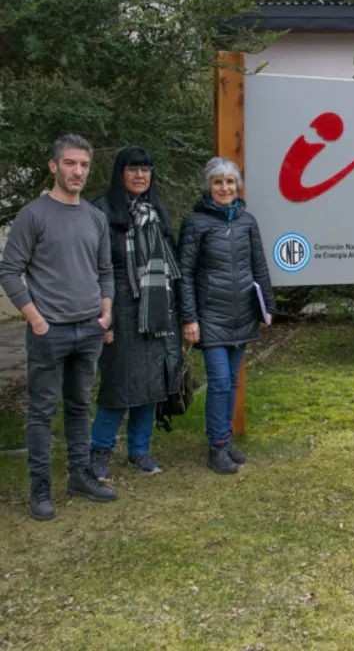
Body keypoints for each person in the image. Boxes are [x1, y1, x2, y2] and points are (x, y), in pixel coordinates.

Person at [0, 134, 118, 520]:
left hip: (89, 329)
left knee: (80, 405)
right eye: (70, 163)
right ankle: (40, 489)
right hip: (49, 333)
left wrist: (105, 312)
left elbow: (105, 271)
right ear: (54, 166)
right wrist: (35, 319)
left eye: (84, 165)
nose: (78, 171)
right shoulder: (34, 215)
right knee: (41, 412)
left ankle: (80, 476)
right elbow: (9, 270)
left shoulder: (94, 217)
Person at [88, 146, 183, 480]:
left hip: (156, 311)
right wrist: (104, 318)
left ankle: (139, 451)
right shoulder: (100, 211)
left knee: (151, 385)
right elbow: (96, 269)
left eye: (146, 169)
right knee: (117, 387)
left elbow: (171, 267)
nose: (141, 175)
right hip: (119, 309)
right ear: (120, 172)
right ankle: (99, 453)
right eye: (133, 169)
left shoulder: (156, 212)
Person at [178, 157, 276, 474]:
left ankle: (226, 439)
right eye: (218, 182)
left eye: (230, 182)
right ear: (209, 186)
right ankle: (216, 447)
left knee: (232, 382)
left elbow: (259, 267)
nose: (224, 188)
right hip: (211, 317)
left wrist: (268, 308)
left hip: (242, 314)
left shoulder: (248, 222)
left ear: (237, 186)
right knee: (219, 382)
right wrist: (189, 318)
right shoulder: (196, 223)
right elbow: (185, 274)